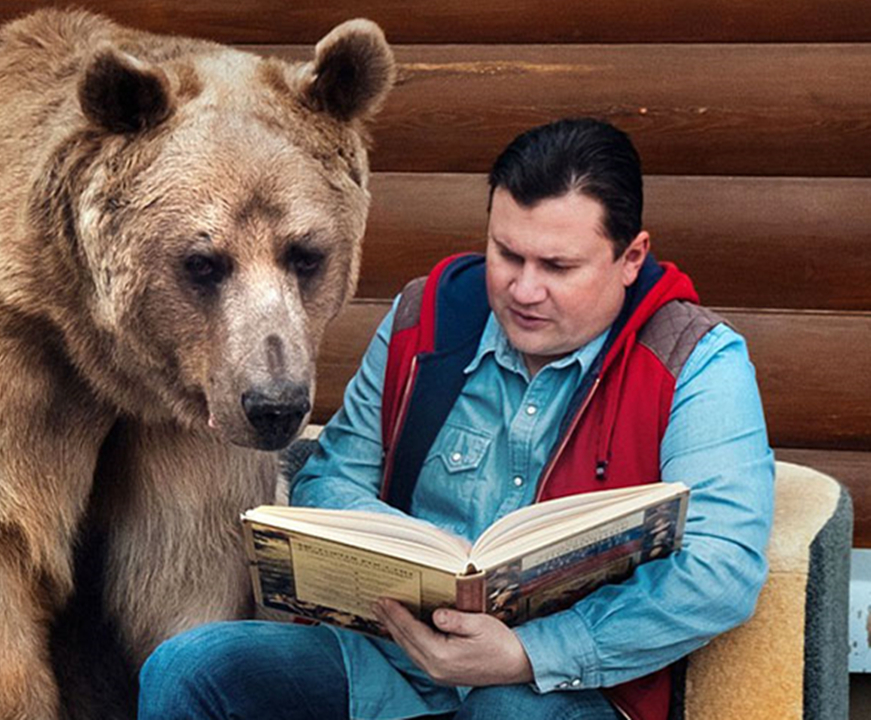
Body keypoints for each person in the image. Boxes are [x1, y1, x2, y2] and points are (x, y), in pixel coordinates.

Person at [137, 118, 774, 720]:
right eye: (507, 254)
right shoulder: (429, 315)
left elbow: (721, 568)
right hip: (390, 658)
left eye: (558, 267)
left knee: (504, 709)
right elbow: (331, 479)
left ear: (631, 258)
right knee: (192, 667)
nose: (523, 290)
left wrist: (529, 653)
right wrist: (405, 557)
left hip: (559, 685)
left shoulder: (696, 359)